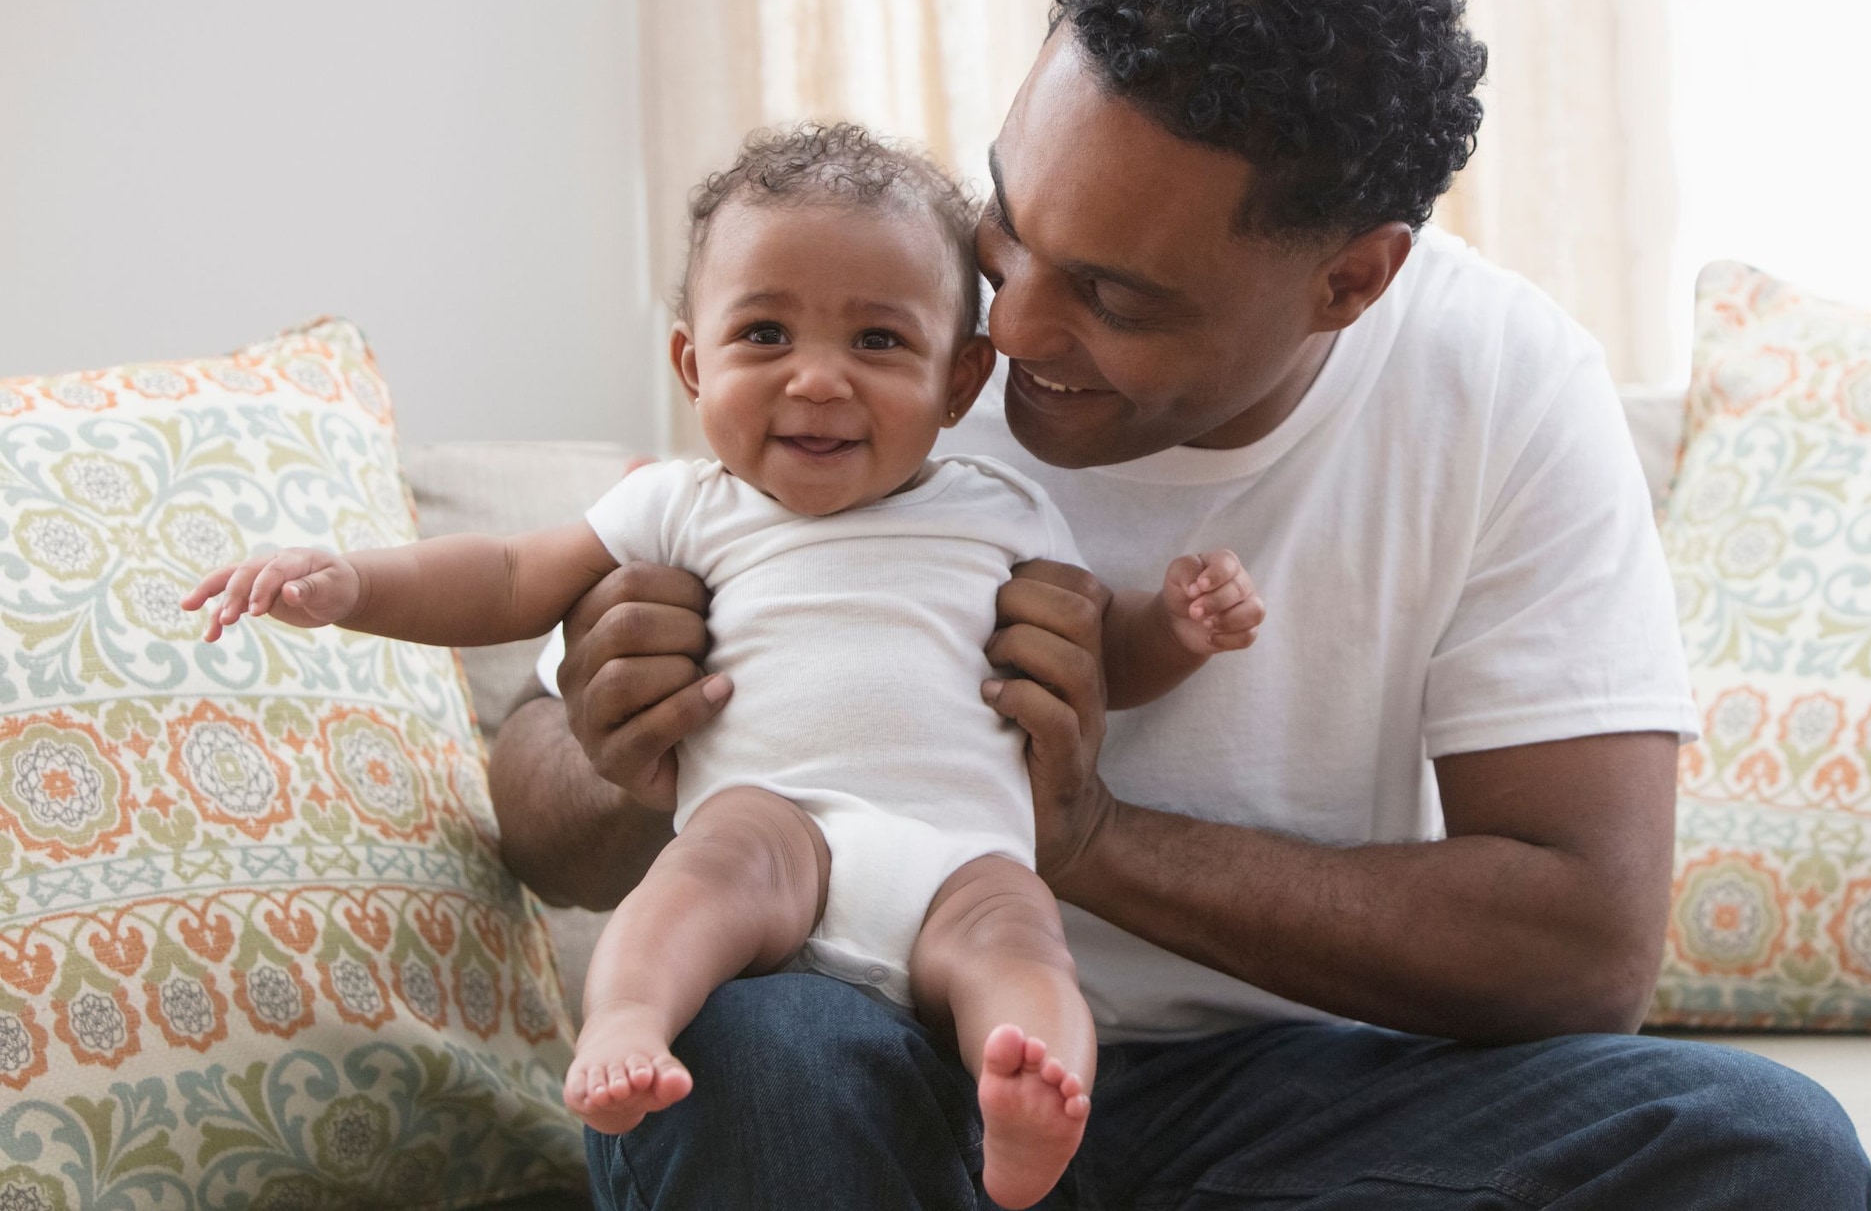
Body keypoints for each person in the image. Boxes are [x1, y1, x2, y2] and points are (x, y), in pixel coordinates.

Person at [495, 0, 1871, 1208]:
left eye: (1113, 297)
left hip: (1282, 1098)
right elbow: (540, 815)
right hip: (878, 1054)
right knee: (758, 1050)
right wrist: (628, 751)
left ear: (1347, 280)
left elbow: (1577, 947)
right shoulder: (881, 319)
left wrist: (1091, 835)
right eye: (1008, 222)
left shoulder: (1500, 386)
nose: (1011, 329)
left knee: (1756, 1145)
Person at [181, 123, 1265, 1210]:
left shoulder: (1002, 508)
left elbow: (1098, 656)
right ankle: (627, 1021)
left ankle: (1030, 1091)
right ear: (694, 364)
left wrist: (1176, 629)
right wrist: (354, 584)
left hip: (959, 855)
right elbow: (508, 575)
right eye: (764, 333)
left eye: (879, 340)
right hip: (776, 829)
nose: (819, 379)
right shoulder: (682, 506)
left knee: (1023, 943)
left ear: (958, 379)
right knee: (698, 877)